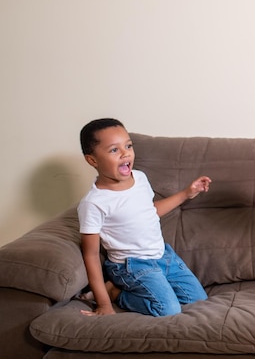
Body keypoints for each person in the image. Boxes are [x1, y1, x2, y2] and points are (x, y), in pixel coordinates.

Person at [77, 118, 210, 317]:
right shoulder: (94, 203)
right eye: (114, 150)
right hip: (132, 266)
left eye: (128, 145)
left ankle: (156, 288)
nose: (125, 153)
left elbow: (150, 212)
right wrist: (104, 303)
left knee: (198, 300)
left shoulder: (139, 178)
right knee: (167, 309)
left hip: (163, 257)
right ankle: (115, 291)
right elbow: (91, 255)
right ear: (93, 160)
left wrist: (186, 193)